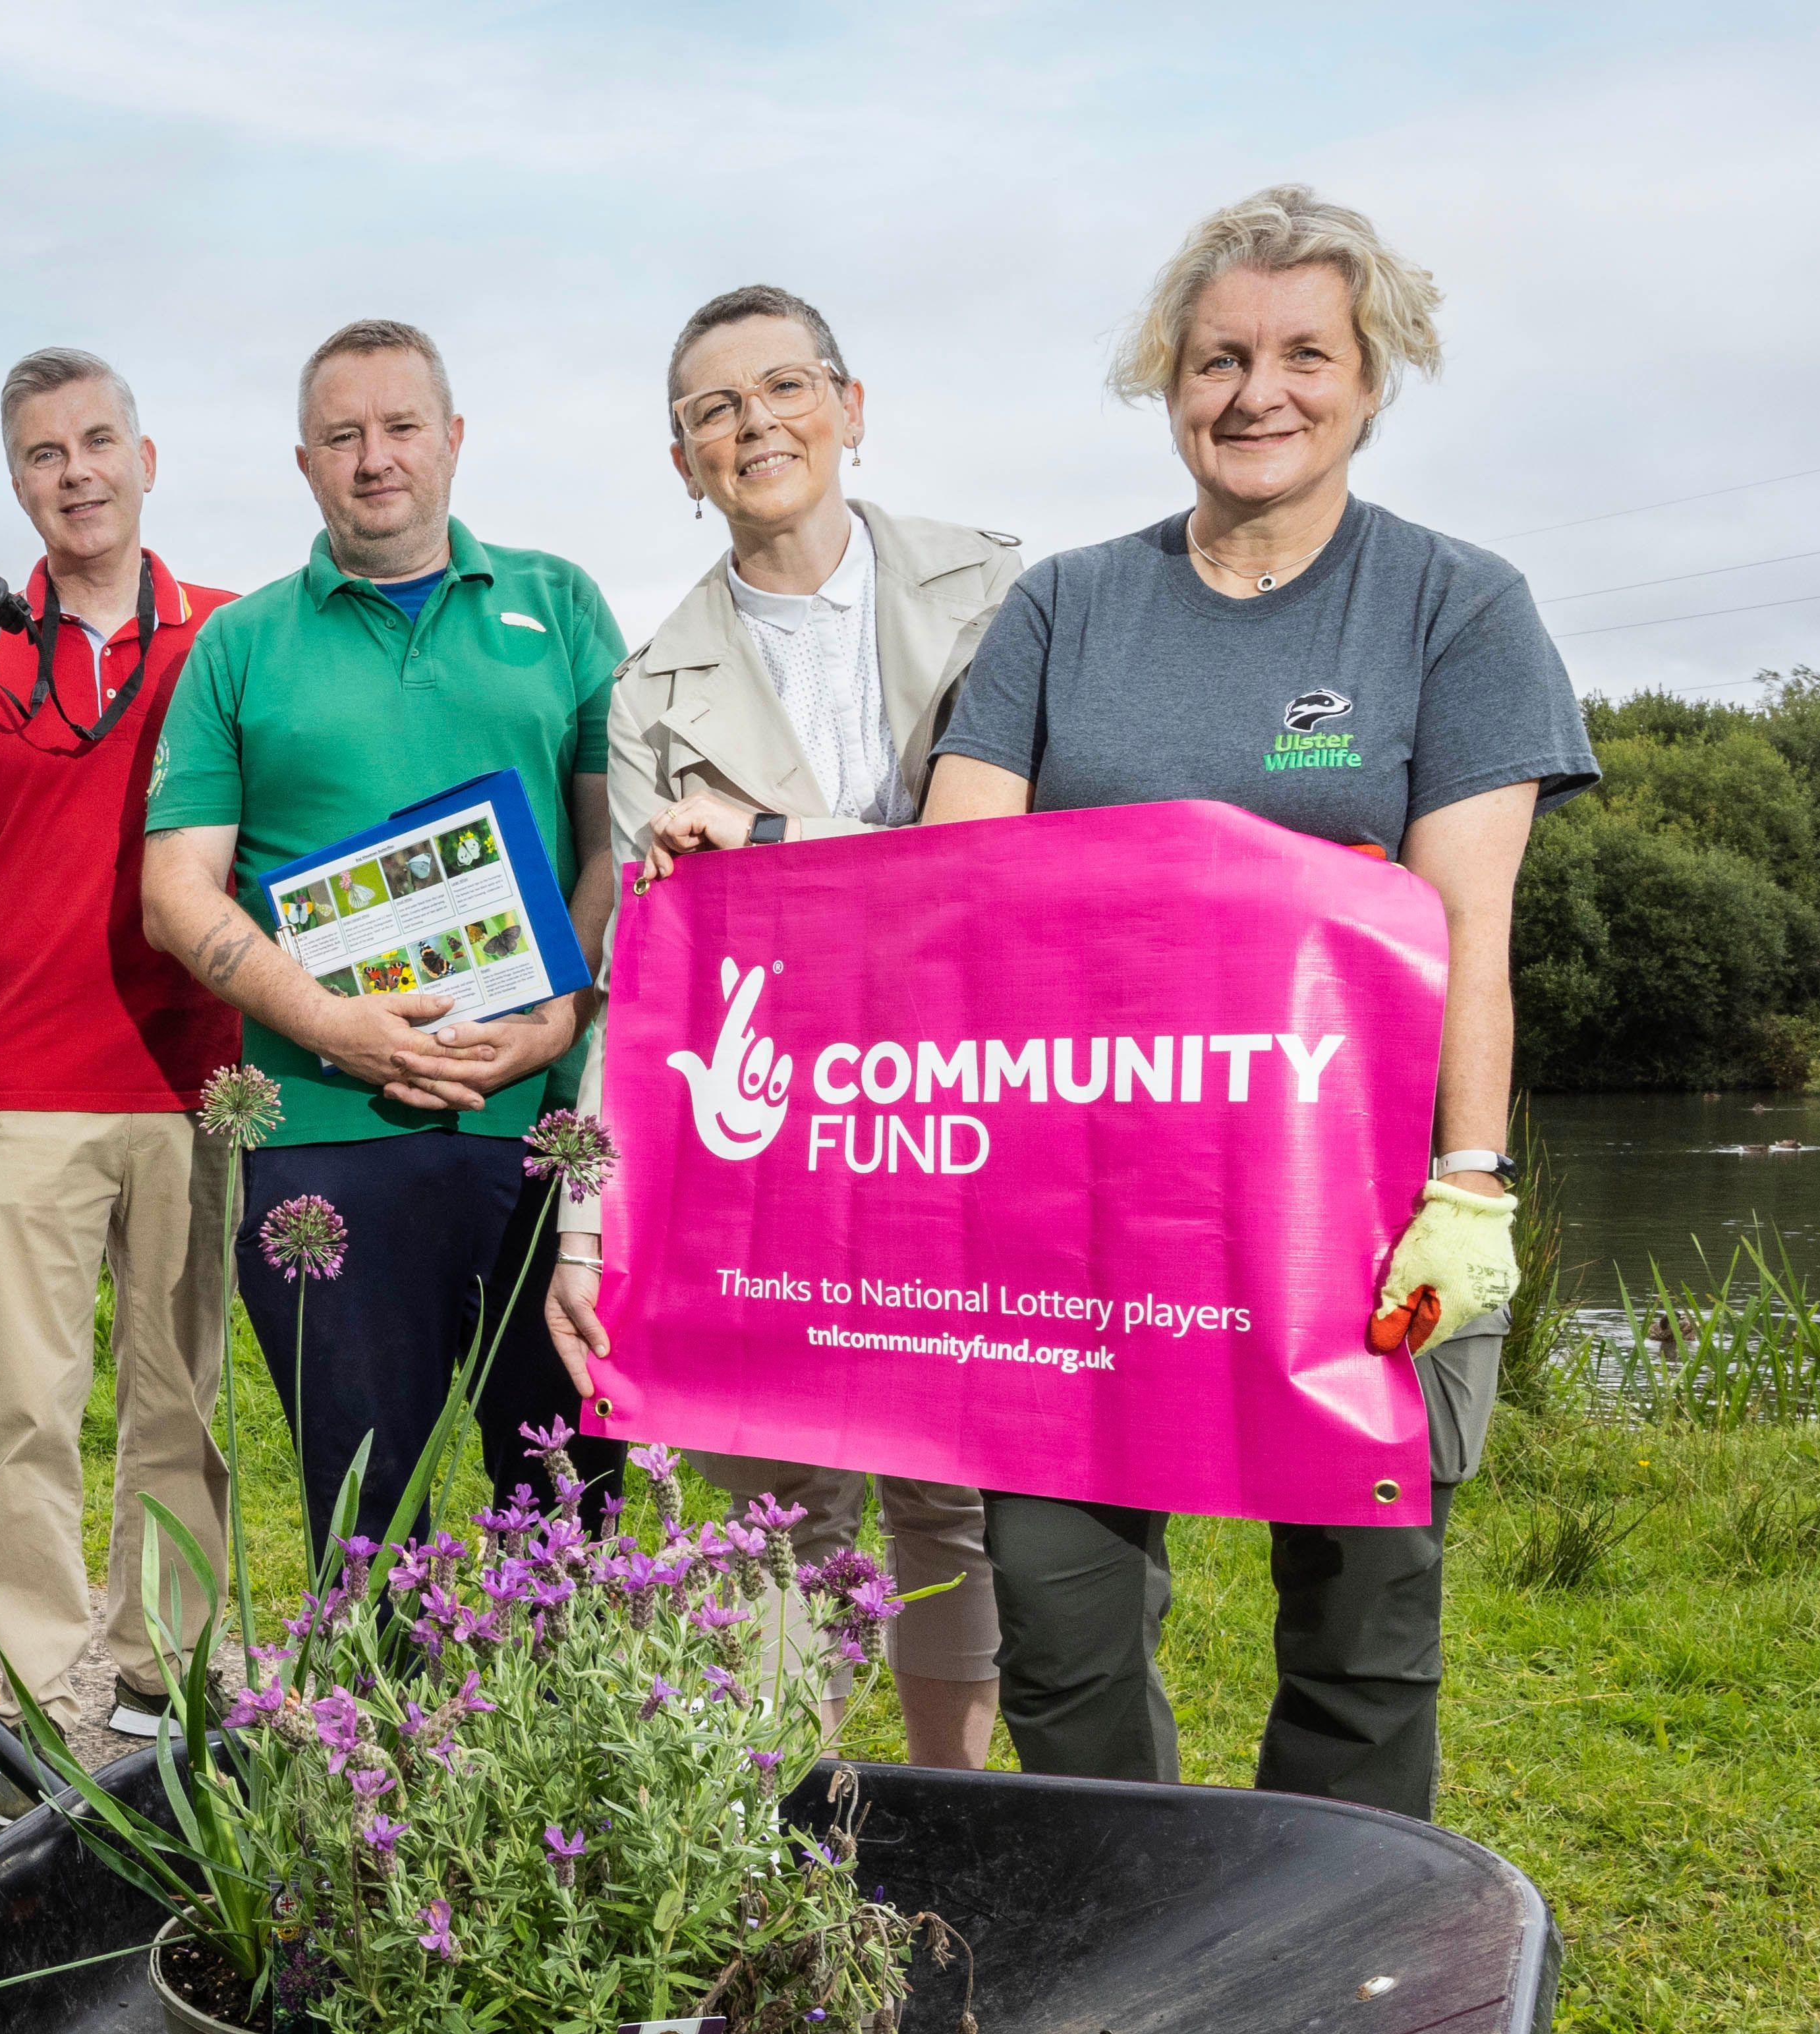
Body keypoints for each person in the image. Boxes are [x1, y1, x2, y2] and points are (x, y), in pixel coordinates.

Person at [919, 185, 1593, 1817]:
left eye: (1304, 355)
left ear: (1370, 381)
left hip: (1355, 1210)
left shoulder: (1455, 606)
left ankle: (1328, 1977)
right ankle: (1113, 1933)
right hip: (1074, 1208)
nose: (1256, 394)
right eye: (1216, 359)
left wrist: (1471, 1184)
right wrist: (749, 871)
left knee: (1360, 1638)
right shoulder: (1064, 606)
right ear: (1168, 385)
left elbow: (1461, 928)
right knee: (1062, 1631)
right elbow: (952, 886)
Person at [541, 285, 1022, 1768]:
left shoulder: (1004, 592)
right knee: (777, 1497)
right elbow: (646, 971)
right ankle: (773, 1850)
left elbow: (996, 870)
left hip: (965, 1106)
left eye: (785, 389)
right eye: (712, 411)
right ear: (681, 464)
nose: (755, 426)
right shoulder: (647, 690)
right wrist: (582, 1220)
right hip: (767, 1130)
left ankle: (957, 1814)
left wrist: (765, 833)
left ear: (851, 407)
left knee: (951, 1487)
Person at [140, 319, 625, 1559]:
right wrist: (333, 1027)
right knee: (365, 1519)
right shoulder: (239, 646)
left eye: (401, 426)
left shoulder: (557, 603)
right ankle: (380, 1753)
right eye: (342, 435)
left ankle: (567, 1757)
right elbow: (176, 891)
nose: (375, 458)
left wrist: (560, 1013)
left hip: (546, 1126)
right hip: (325, 1137)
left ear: (453, 440)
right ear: (302, 461)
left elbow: (610, 849)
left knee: (570, 1504)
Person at [0, 350, 240, 1817]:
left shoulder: (228, 631)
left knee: (180, 1403)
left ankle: (165, 1685)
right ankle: (26, 1701)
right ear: (12, 481)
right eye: (40, 454)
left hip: (196, 1069)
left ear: (147, 455)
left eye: (96, 443)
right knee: (24, 1408)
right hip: (23, 1074)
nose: (73, 471)